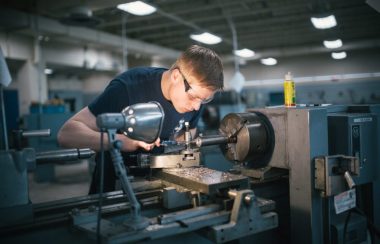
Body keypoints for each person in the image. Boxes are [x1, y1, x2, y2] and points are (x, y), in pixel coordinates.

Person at [57, 45, 224, 194]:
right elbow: (67, 134)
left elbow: (188, 132)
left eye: (204, 100)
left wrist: (180, 147)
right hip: (115, 186)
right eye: (194, 97)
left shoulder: (196, 100)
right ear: (176, 76)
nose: (196, 107)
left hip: (163, 184)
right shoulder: (127, 88)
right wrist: (119, 140)